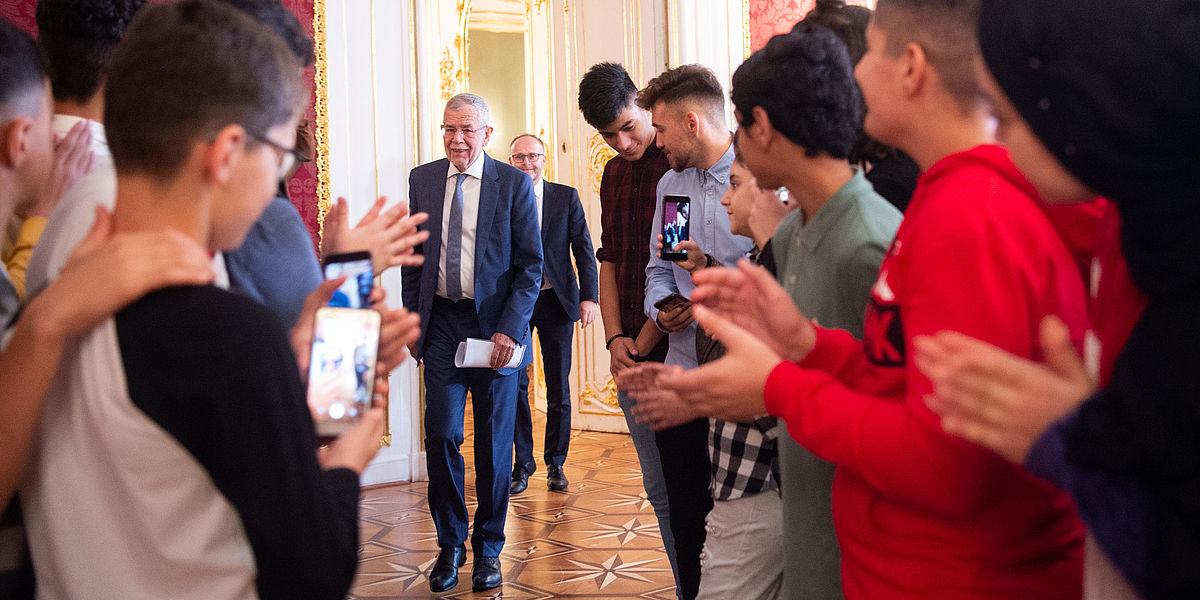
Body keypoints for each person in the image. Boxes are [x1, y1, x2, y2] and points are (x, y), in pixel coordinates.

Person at [625, 1, 1093, 597]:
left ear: (911, 68)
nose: (852, 76)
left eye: (869, 52)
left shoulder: (970, 215)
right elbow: (905, 379)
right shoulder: (942, 199)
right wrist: (809, 345)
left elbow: (949, 464)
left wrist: (778, 386)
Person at [18, 4, 415, 599]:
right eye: (280, 156)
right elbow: (313, 575)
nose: (277, 181)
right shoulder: (227, 331)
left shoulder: (68, 247)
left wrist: (284, 364)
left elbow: (160, 434)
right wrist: (347, 461)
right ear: (227, 153)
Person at [916, 0, 1199, 596]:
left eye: (1005, 116)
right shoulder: (1138, 228)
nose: (997, 140)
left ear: (1084, 111)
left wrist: (1071, 442)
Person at [27, 0, 427, 329]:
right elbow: (322, 398)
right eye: (279, 151)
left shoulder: (80, 194)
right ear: (228, 150)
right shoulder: (245, 252)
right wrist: (349, 273)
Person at [734, 27, 904, 600]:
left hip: (863, 537)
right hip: (806, 508)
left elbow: (896, 413)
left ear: (761, 125)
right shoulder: (794, 232)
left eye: (739, 126)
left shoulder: (869, 243)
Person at [400, 93, 542, 593]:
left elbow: (530, 266)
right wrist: (413, 324)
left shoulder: (514, 184)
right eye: (448, 129)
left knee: (495, 446)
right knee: (440, 434)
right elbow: (413, 258)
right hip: (440, 323)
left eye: (466, 130)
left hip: (495, 329)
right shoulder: (423, 179)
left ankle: (489, 549)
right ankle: (450, 544)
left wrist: (510, 329)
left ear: (486, 133)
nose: (456, 139)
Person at [638, 63, 753, 600]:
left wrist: (708, 274)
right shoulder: (670, 184)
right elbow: (659, 267)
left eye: (659, 130)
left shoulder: (753, 176)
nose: (654, 141)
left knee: (739, 519)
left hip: (741, 380)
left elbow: (770, 277)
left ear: (691, 122)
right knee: (687, 514)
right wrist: (660, 309)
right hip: (682, 370)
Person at [576, 60, 677, 589]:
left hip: (675, 344)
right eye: (607, 135)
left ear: (641, 105)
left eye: (627, 128)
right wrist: (615, 340)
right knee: (658, 488)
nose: (621, 143)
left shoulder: (676, 163)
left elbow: (679, 270)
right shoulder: (612, 175)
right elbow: (608, 260)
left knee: (688, 484)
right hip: (630, 349)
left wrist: (638, 341)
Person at [506, 133, 598, 494]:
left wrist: (588, 297)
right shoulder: (503, 197)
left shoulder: (565, 196)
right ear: (510, 160)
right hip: (517, 303)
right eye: (519, 157)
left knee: (559, 386)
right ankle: (522, 464)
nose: (527, 164)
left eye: (533, 157)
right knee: (515, 384)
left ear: (545, 159)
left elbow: (584, 249)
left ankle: (556, 463)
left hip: (558, 302)